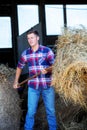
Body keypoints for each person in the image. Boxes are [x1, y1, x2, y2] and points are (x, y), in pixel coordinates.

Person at [13, 29, 57, 130]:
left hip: (47, 86)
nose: (30, 40)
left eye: (32, 37)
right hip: (33, 87)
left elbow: (55, 66)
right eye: (28, 38)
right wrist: (16, 81)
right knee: (31, 112)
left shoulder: (47, 51)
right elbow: (19, 67)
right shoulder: (26, 53)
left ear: (37, 38)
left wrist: (49, 71)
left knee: (51, 111)